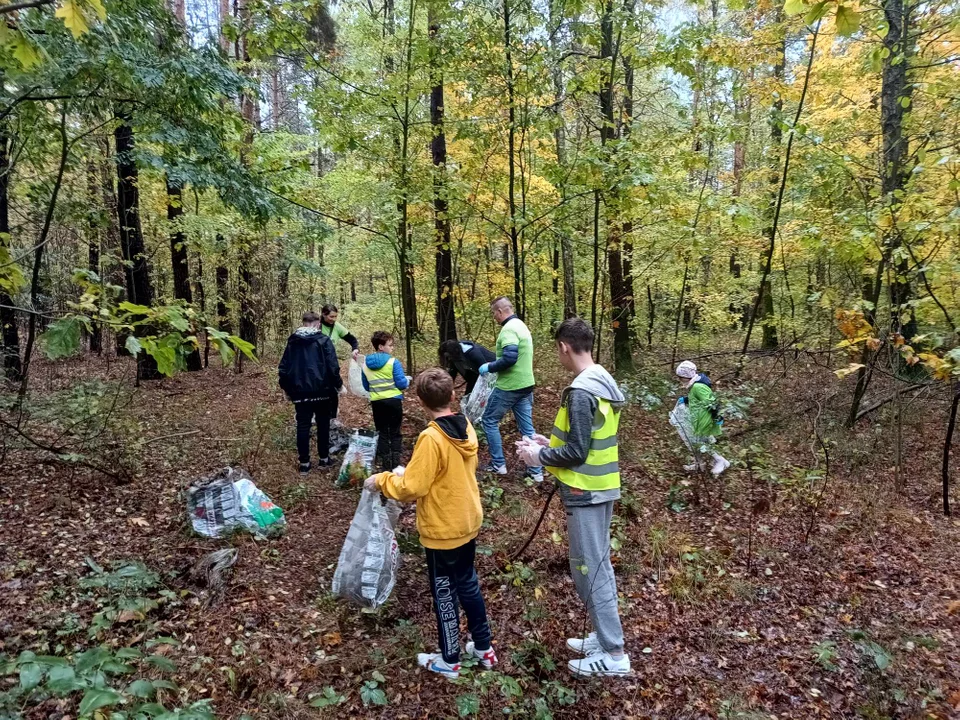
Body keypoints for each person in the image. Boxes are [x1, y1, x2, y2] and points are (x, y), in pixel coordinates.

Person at [365, 368, 497, 680]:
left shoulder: (431, 437)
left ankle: (450, 659)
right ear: (453, 396)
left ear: (421, 401)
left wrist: (383, 480)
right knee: (467, 582)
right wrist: (408, 473)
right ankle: (483, 647)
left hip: (444, 528)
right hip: (467, 518)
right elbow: (444, 473)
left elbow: (413, 488)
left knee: (444, 592)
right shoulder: (466, 426)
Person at [516, 318, 630, 678]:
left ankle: (614, 654)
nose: (559, 356)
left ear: (564, 347)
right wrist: (549, 445)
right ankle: (604, 635)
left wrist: (539, 458)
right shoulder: (602, 380)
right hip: (601, 486)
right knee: (597, 565)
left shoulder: (582, 391)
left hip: (587, 490)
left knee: (591, 569)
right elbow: (589, 440)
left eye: (557, 350)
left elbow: (578, 452)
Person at [478, 297, 542, 480]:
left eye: (493, 314)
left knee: (489, 421)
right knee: (527, 429)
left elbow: (510, 358)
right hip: (526, 384)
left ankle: (498, 464)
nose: (494, 317)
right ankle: (536, 472)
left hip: (510, 386)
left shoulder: (508, 330)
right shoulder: (521, 325)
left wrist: (489, 367)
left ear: (499, 311)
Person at [278, 311, 343, 474]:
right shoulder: (324, 341)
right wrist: (339, 385)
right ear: (318, 324)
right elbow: (333, 366)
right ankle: (323, 459)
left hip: (300, 392)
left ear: (303, 322)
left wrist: (286, 388)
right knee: (323, 423)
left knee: (303, 425)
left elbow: (283, 368)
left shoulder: (293, 342)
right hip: (323, 390)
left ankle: (304, 464)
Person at [361, 331, 410, 470]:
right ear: (381, 347)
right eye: (390, 345)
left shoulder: (365, 365)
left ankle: (385, 463)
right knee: (395, 431)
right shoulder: (393, 362)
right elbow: (401, 384)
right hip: (394, 401)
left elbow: (366, 386)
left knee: (382, 431)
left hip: (377, 402)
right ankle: (396, 463)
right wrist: (407, 381)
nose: (392, 348)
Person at [674, 360, 730, 476]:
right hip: (697, 418)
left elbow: (711, 402)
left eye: (680, 377)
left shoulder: (698, 387)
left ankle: (720, 460)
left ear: (686, 376)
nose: (679, 380)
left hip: (703, 420)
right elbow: (697, 399)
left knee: (702, 442)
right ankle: (699, 464)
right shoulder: (694, 385)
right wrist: (685, 400)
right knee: (696, 442)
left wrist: (717, 416)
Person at [320, 304, 360, 421]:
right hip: (315, 364)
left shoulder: (337, 327)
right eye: (331, 317)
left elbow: (352, 339)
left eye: (335, 317)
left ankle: (333, 417)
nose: (333, 319)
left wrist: (355, 349)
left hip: (330, 363)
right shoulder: (317, 325)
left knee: (333, 390)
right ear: (323, 314)